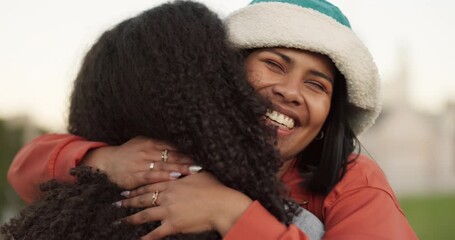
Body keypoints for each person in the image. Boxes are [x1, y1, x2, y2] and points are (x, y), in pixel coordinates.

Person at [7, 0, 418, 239]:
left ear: (331, 117)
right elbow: (26, 170)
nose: (290, 91)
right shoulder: (186, 142)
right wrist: (103, 160)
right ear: (227, 76)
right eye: (274, 64)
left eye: (317, 85)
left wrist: (233, 215)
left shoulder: (353, 180)